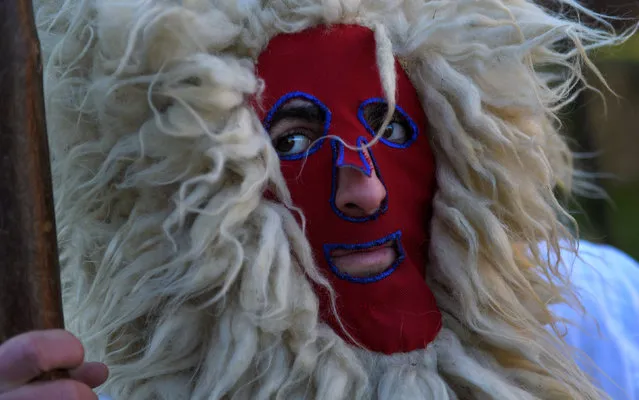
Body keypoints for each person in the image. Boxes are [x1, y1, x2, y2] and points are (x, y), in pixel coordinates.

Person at [0, 0, 637, 399]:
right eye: (296, 138)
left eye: (388, 127)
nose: (365, 189)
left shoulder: (611, 321)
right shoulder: (84, 383)